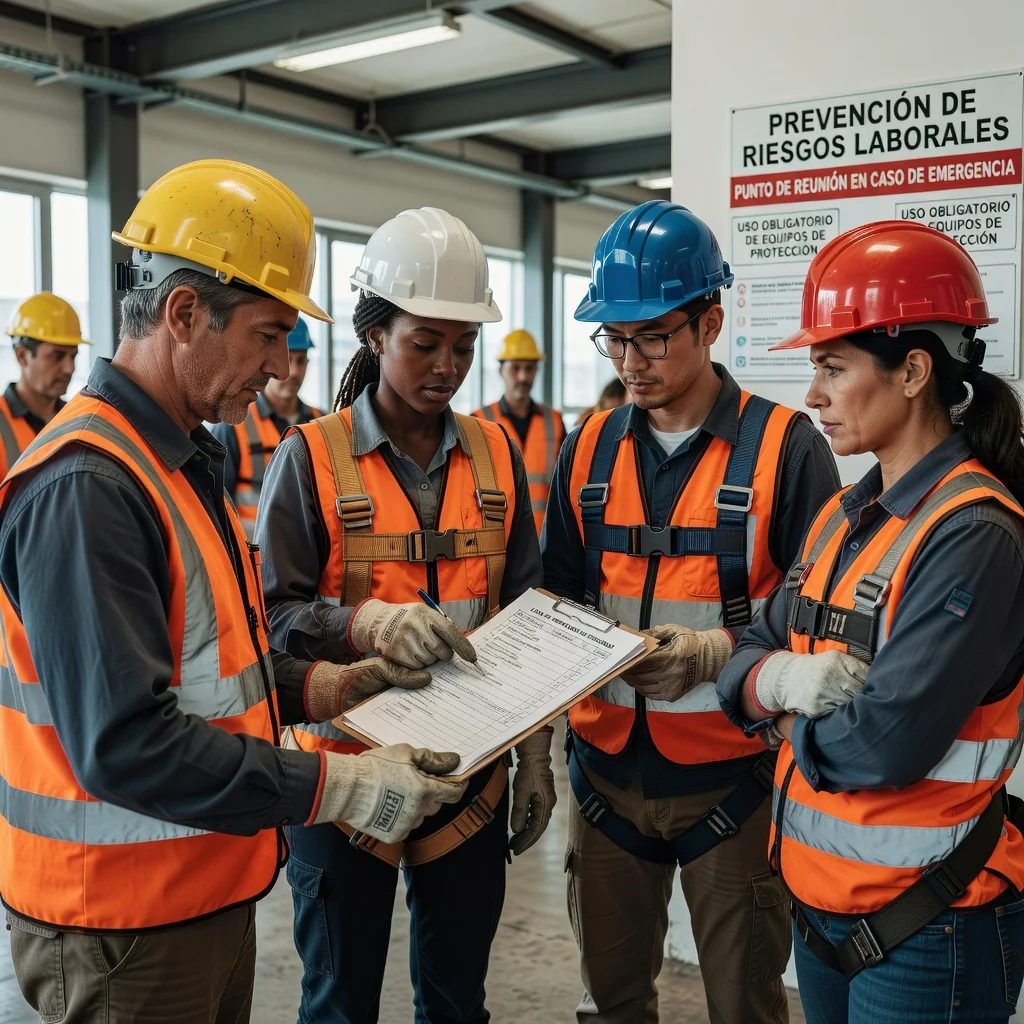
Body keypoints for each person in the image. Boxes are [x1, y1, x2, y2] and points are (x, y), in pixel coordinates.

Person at [0, 160, 465, 1024]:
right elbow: (126, 743)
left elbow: (210, 668)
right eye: (267, 333)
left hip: (200, 889)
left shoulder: (181, 458)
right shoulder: (89, 488)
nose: (284, 363)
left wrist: (326, 685)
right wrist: (340, 789)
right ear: (184, 314)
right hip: (119, 928)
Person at [717, 221, 1024, 1024]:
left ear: (914, 370)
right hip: (821, 914)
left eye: (831, 367)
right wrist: (774, 675)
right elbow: (744, 654)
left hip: (928, 926)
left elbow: (888, 743)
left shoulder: (974, 534)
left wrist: (770, 717)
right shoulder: (844, 516)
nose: (812, 395)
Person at [542, 199, 841, 1024]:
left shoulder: (787, 447)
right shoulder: (588, 447)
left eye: (652, 336)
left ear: (710, 322)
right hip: (603, 777)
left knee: (744, 1005)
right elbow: (556, 602)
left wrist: (715, 652)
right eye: (614, 337)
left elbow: (820, 614)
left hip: (734, 782)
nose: (630, 360)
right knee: (612, 1003)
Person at [256, 206, 556, 1024]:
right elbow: (272, 614)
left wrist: (537, 761)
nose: (448, 366)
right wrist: (365, 626)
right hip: (345, 777)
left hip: (472, 775)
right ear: (375, 335)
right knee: (339, 1003)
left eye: (464, 346)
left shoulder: (495, 455)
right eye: (425, 342)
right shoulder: (310, 457)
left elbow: (527, 619)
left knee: (457, 1003)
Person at [210, 316, 322, 536]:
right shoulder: (234, 426)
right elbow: (215, 510)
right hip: (253, 562)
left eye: (301, 361)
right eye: (289, 360)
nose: (294, 373)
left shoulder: (322, 424)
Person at [472, 329, 565, 534]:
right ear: (501, 371)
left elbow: (565, 484)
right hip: (497, 535)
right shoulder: (479, 420)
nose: (523, 376)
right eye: (515, 368)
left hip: (545, 536)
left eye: (529, 368)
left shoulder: (554, 421)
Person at [0, 291, 89, 476]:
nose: (69, 368)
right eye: (57, 356)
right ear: (22, 355)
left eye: (73, 356)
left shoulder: (77, 421)